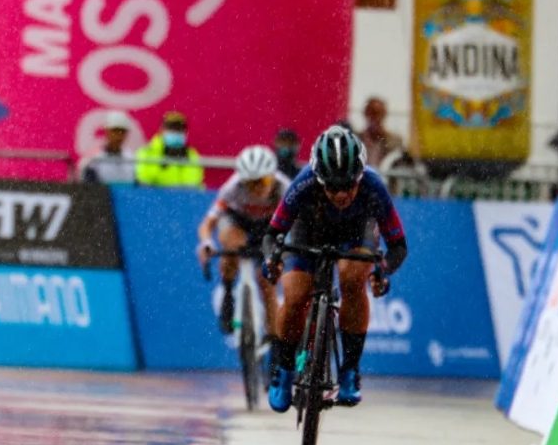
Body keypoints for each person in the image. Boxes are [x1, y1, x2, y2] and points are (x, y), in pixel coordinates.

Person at [262, 126, 407, 411]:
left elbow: (398, 245)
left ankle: (350, 370)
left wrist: (383, 270)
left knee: (353, 279)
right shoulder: (303, 183)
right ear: (319, 179)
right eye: (332, 187)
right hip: (309, 231)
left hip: (356, 234)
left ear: (360, 176)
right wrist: (272, 258)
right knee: (294, 296)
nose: (341, 194)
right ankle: (284, 368)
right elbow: (272, 234)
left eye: (349, 185)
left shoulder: (374, 186)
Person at [197, 145, 289, 340]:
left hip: (268, 228)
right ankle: (228, 292)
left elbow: (300, 223)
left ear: (273, 176)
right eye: (250, 183)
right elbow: (208, 223)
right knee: (231, 246)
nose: (257, 189)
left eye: (263, 181)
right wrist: (206, 243)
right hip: (238, 222)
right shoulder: (231, 188)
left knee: (267, 280)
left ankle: (275, 339)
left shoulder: (284, 188)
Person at [135, 111, 204, 187]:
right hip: (154, 197)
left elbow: (195, 183)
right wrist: (162, 164)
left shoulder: (192, 154)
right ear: (161, 130)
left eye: (179, 129)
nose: (176, 132)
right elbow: (144, 180)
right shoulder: (147, 151)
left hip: (183, 197)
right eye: (171, 128)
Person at [80, 110, 136, 184]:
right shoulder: (94, 160)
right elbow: (89, 189)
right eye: (115, 131)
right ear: (107, 132)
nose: (119, 136)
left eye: (122, 131)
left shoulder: (132, 158)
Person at [359, 97, 404, 169]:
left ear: (385, 115)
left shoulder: (395, 141)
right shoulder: (357, 140)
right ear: (365, 114)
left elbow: (398, 167)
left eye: (379, 113)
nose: (376, 118)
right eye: (372, 113)